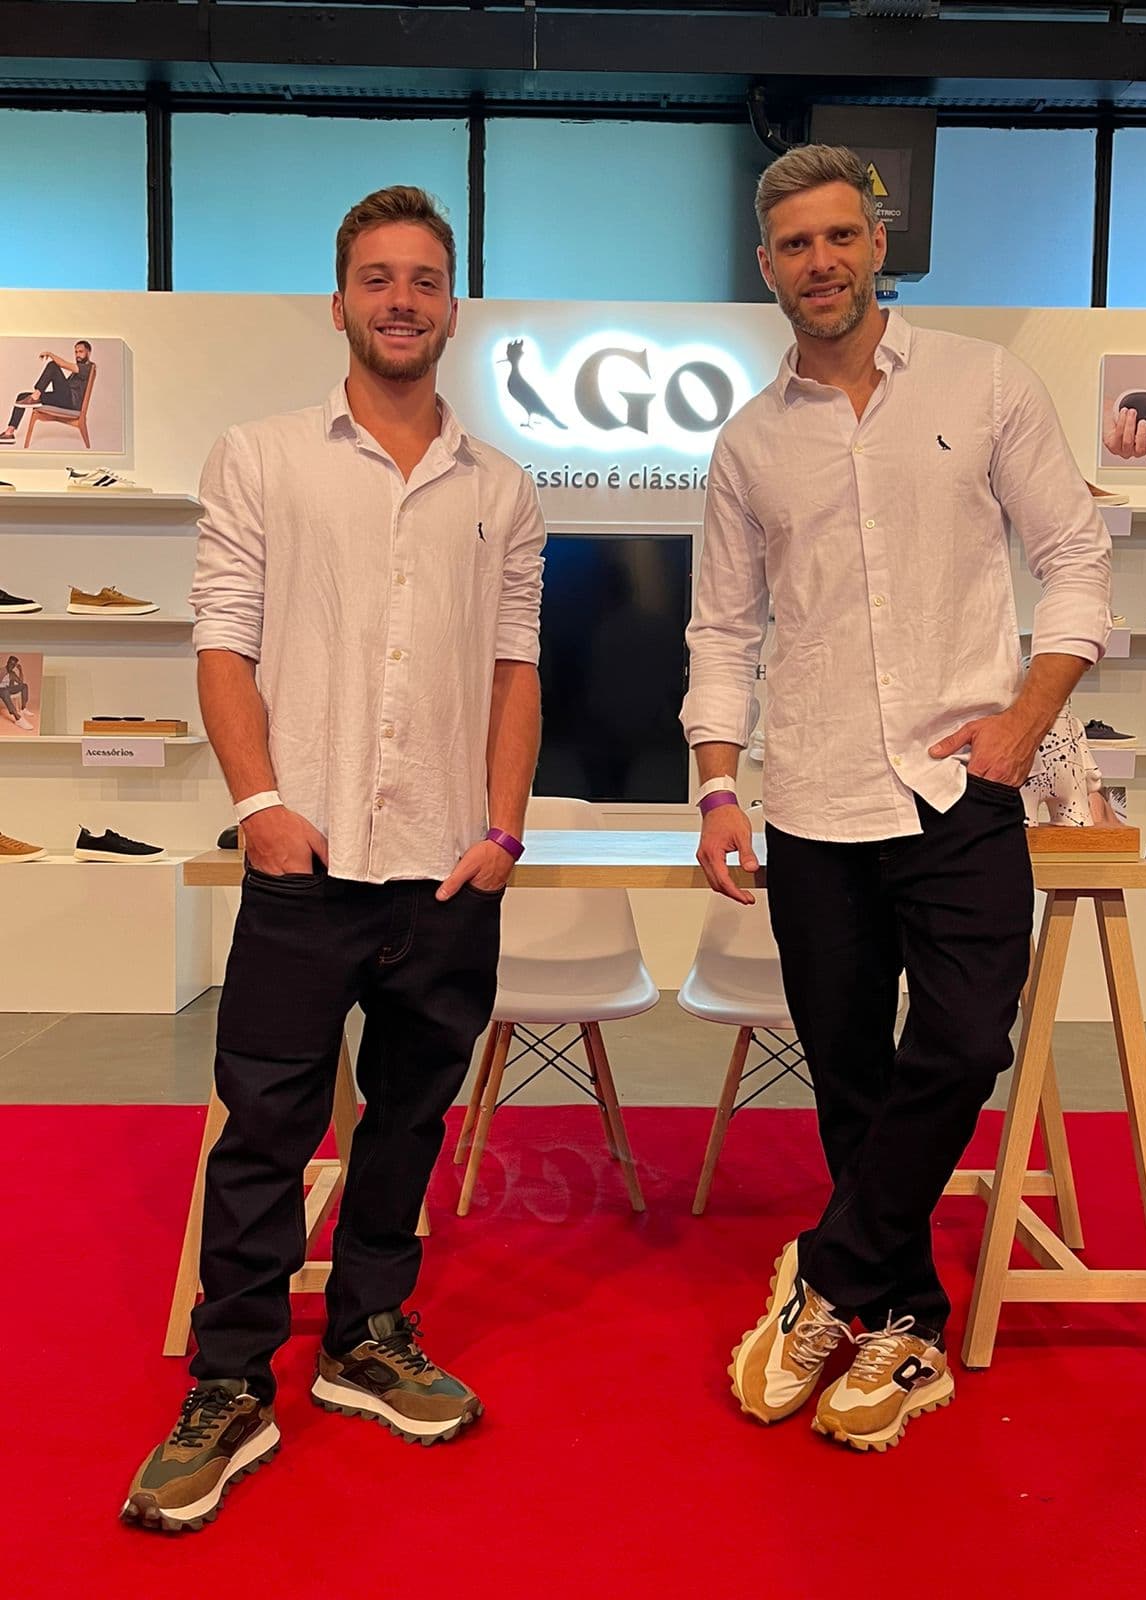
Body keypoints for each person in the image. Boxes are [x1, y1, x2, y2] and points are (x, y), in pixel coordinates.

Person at [122, 185, 545, 1531]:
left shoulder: (503, 487)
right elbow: (223, 642)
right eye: (378, 277)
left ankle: (367, 1334)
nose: (401, 299)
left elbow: (515, 668)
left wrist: (503, 829)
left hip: (447, 872)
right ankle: (229, 1380)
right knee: (263, 1130)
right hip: (303, 863)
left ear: (453, 305)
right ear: (341, 298)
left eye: (423, 278)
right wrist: (260, 802)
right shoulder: (259, 458)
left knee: (408, 1125)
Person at [682, 144, 1111, 1454]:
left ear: (878, 243)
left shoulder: (986, 385)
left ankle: (827, 1279)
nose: (819, 262)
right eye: (793, 245)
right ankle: (904, 1320)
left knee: (969, 1039)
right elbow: (722, 628)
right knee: (850, 1077)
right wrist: (716, 783)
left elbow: (1075, 557)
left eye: (839, 237)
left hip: (960, 785)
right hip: (812, 798)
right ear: (765, 267)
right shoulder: (750, 443)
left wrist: (1026, 717)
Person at [0, 341, 94, 441]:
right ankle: (9, 432)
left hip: (70, 402)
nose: (78, 355)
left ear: (88, 353)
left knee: (53, 365)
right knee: (22, 396)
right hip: (63, 399)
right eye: (76, 352)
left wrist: (49, 354)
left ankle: (36, 395)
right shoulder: (78, 370)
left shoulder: (88, 368)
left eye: (81, 352)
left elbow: (63, 364)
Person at [0, 655, 32, 727]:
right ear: (7, 662)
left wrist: (20, 670)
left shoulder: (12, 673)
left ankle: (23, 709)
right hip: (1, 690)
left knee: (24, 686)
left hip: (8, 688)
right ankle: (18, 718)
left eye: (13, 665)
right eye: (10, 663)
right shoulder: (1, 671)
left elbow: (21, 682)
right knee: (4, 691)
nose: (11, 666)